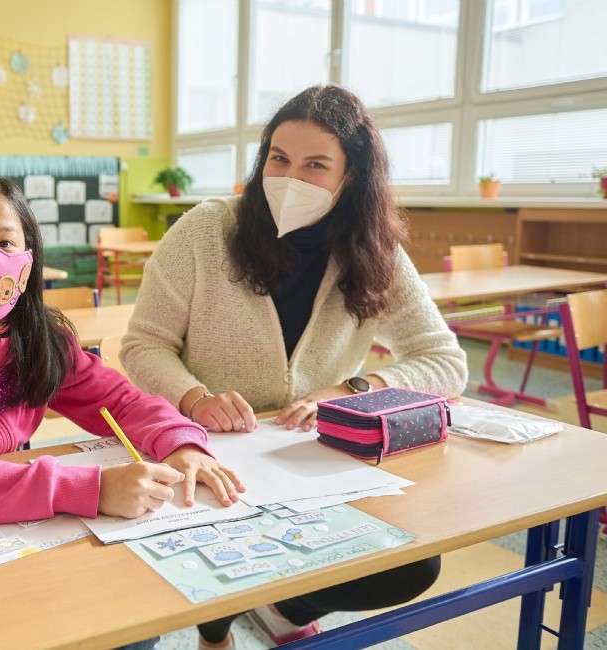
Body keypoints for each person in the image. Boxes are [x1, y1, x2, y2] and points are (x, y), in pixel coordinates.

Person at [120, 85, 467, 649]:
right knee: (174, 572)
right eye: (279, 159)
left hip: (313, 455)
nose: (289, 178)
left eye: (315, 165)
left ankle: (283, 607)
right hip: (207, 449)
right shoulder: (206, 232)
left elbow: (445, 362)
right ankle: (217, 626)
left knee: (413, 566)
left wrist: (357, 389)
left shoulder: (374, 250)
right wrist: (193, 397)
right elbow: (143, 346)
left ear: (351, 176)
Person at [0, 168, 244, 531]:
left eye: (5, 243)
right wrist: (89, 490)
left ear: (28, 259)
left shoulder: (37, 335)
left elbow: (120, 401)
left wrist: (180, 442)